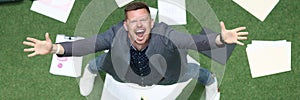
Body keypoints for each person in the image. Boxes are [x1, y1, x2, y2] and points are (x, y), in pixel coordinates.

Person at [23, 2, 248, 100]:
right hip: (123, 71)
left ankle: (210, 80)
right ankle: (90, 72)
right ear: (125, 25)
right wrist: (55, 48)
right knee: (98, 63)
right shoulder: (114, 35)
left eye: (144, 20)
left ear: (151, 23)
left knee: (193, 72)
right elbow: (87, 44)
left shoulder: (165, 34)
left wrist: (219, 39)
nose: (139, 25)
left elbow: (192, 42)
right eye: (133, 21)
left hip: (166, 75)